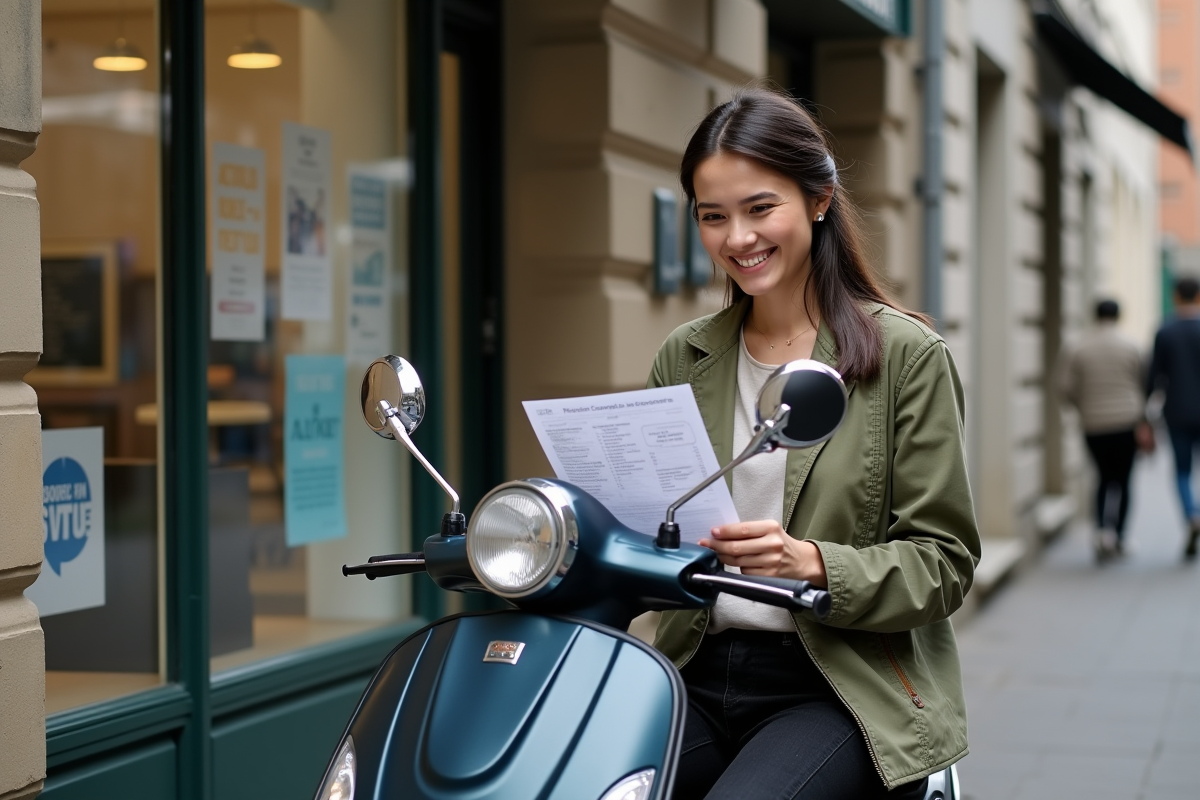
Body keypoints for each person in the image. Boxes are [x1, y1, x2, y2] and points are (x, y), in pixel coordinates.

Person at [647, 87, 979, 800]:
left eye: (760, 208)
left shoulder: (905, 356)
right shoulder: (685, 356)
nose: (737, 238)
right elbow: (653, 523)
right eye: (713, 216)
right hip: (692, 665)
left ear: (819, 199)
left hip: (837, 680)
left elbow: (945, 562)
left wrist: (814, 563)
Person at [1059, 299, 1148, 560]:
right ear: (1119, 316)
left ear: (1094, 315)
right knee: (1124, 479)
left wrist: (1082, 406)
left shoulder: (1077, 345)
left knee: (1102, 477)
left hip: (1094, 424)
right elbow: (1144, 383)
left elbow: (1063, 386)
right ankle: (1119, 536)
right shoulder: (1132, 345)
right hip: (1127, 422)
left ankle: (1100, 531)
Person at [1147, 276, 1200, 559]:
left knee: (1181, 470)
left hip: (1177, 412)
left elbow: (1153, 377)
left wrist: (1144, 414)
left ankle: (1191, 514)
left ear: (1176, 297)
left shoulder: (1165, 331)